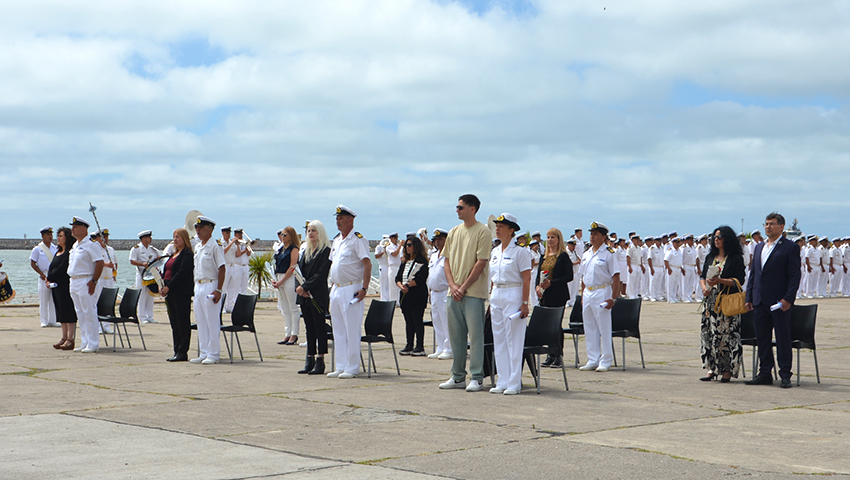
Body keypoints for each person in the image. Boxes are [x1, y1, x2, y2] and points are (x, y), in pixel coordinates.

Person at [439, 194, 491, 392]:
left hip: (473, 293)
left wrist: (463, 286)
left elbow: (481, 263)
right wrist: (452, 285)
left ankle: (476, 376)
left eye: (460, 207)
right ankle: (458, 376)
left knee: (476, 336)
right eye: (457, 207)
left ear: (472, 209)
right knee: (456, 336)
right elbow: (446, 261)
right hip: (453, 293)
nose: (457, 210)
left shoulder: (483, 232)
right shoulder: (453, 232)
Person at [745, 213, 801, 388]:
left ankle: (785, 374)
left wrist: (788, 299)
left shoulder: (789, 248)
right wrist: (749, 297)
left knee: (783, 339)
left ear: (782, 227)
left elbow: (794, 276)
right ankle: (765, 373)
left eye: (772, 224)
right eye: (766, 224)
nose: (768, 227)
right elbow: (753, 275)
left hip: (779, 302)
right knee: (762, 339)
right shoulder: (759, 247)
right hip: (760, 301)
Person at [487, 213, 532, 395]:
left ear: (511, 230)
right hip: (497, 293)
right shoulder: (495, 251)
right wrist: (491, 299)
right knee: (499, 339)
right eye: (497, 226)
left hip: (514, 292)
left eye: (502, 226)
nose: (497, 229)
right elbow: (493, 278)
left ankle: (514, 382)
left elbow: (527, 278)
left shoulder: (520, 251)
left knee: (514, 339)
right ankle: (502, 379)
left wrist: (524, 302)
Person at [327, 205, 372, 379]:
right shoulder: (337, 240)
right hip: (336, 288)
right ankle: (340, 365)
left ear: (351, 220)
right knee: (338, 329)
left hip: (352, 288)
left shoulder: (358, 239)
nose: (338, 221)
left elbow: (367, 264)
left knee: (351, 329)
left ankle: (352, 367)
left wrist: (365, 288)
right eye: (336, 218)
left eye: (341, 218)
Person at [698, 226, 746, 383]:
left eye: (720, 237)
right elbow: (702, 275)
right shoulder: (711, 256)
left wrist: (720, 280)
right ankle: (712, 368)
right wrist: (704, 287)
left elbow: (739, 281)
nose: (716, 240)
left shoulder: (735, 258)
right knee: (709, 336)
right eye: (715, 237)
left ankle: (726, 370)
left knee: (726, 338)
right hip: (710, 303)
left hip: (726, 303)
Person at [578, 222, 620, 372]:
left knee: (604, 327)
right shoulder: (586, 253)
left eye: (595, 234)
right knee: (589, 327)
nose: (592, 236)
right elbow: (583, 276)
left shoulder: (609, 253)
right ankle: (592, 359)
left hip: (602, 291)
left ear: (603, 237)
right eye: (591, 234)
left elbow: (616, 277)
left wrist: (613, 298)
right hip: (588, 292)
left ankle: (606, 360)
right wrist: (583, 294)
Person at [295, 220, 332, 375]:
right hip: (305, 295)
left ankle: (320, 359)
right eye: (309, 231)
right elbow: (300, 271)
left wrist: (306, 287)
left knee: (319, 328)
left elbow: (321, 274)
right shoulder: (307, 251)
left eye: (314, 231)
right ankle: (309, 358)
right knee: (309, 328)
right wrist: (301, 288)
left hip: (317, 294)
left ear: (320, 232)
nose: (310, 233)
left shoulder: (326, 251)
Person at [191, 216, 226, 365]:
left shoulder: (215, 246)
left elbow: (222, 267)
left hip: (211, 284)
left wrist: (219, 289)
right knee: (201, 320)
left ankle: (214, 353)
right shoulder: (198, 246)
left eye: (201, 228)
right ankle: (204, 352)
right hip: (198, 285)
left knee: (212, 320)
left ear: (210, 230)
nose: (198, 230)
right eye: (196, 228)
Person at [67, 217, 105, 353]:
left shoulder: (91, 244)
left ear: (84, 229)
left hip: (86, 280)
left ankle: (93, 343)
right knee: (80, 313)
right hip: (74, 280)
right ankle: (85, 341)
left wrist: (94, 281)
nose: (72, 229)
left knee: (89, 311)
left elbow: (99, 263)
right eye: (72, 226)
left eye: (75, 227)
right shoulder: (75, 245)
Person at [536, 228, 573, 367]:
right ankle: (549, 354)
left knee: (556, 326)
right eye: (548, 237)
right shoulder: (544, 256)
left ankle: (558, 354)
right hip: (545, 295)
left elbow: (569, 276)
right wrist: (537, 287)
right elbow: (538, 274)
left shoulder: (563, 256)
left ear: (559, 240)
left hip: (558, 294)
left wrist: (552, 283)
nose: (550, 240)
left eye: (553, 237)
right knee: (547, 326)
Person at [160, 228, 195, 362]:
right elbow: (166, 271)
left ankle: (182, 351)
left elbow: (181, 273)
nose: (175, 239)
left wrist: (169, 286)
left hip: (180, 292)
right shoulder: (173, 254)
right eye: (174, 237)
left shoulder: (187, 254)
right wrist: (161, 284)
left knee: (182, 322)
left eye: (178, 237)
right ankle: (176, 350)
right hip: (170, 291)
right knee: (174, 322)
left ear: (184, 239)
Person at [396, 236, 430, 356]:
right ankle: (409, 345)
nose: (407, 247)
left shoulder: (422, 261)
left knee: (417, 321)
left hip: (417, 295)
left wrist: (409, 285)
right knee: (408, 321)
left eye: (409, 245)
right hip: (405, 295)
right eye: (406, 245)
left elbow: (421, 278)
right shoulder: (405, 261)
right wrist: (401, 286)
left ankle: (419, 346)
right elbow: (398, 278)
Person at [47, 227, 77, 350]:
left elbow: (61, 269)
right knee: (60, 312)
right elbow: (52, 266)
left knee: (68, 311)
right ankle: (63, 337)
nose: (58, 238)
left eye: (61, 236)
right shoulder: (58, 252)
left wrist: (51, 276)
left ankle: (70, 338)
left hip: (65, 285)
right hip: (56, 286)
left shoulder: (68, 253)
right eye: (58, 236)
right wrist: (48, 278)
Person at [272, 226, 301, 345]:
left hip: (288, 278)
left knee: (292, 307)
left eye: (285, 235)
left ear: (291, 236)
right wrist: (276, 280)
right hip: (279, 277)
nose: (283, 237)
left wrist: (282, 280)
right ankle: (287, 333)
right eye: (282, 235)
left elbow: (292, 266)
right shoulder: (281, 249)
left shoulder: (293, 249)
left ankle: (294, 334)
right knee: (284, 308)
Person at [426, 228, 452, 359]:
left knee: (446, 321)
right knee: (437, 321)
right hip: (434, 292)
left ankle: (449, 348)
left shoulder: (450, 255)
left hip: (444, 291)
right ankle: (440, 346)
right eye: (436, 240)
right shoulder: (434, 255)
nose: (437, 242)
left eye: (440, 239)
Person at [129, 230, 160, 324]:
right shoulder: (136, 249)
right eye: (149, 237)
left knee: (150, 295)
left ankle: (149, 316)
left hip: (151, 275)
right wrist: (142, 264)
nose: (150, 239)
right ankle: (142, 317)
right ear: (144, 238)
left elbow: (159, 257)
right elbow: (132, 261)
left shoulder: (152, 249)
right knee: (142, 296)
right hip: (142, 274)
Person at [30, 226, 58, 327]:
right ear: (42, 236)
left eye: (51, 234)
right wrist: (41, 274)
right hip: (44, 275)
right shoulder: (37, 249)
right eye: (47, 235)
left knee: (53, 299)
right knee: (43, 299)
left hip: (54, 275)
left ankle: (52, 320)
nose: (50, 236)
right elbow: (33, 263)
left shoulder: (55, 248)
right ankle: (44, 320)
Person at [220, 226, 239, 312]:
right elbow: (223, 252)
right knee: (224, 288)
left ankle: (229, 307)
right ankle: (222, 307)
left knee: (232, 288)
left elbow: (237, 254)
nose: (228, 235)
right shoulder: (221, 242)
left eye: (229, 233)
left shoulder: (233, 243)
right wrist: (231, 243)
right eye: (227, 233)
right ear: (223, 233)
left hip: (233, 266)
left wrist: (238, 245)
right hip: (225, 266)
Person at [233, 228, 253, 297]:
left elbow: (248, 254)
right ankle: (236, 300)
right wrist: (245, 250)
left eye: (241, 234)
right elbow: (237, 255)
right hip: (238, 266)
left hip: (245, 266)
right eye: (239, 234)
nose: (240, 235)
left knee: (244, 285)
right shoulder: (234, 243)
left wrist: (248, 250)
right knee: (237, 285)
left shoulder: (245, 242)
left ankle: (243, 300)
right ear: (235, 234)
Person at [664, 237, 684, 303]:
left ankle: (674, 297)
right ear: (673, 243)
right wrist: (668, 268)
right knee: (670, 284)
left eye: (678, 242)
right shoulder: (670, 250)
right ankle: (670, 298)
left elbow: (679, 260)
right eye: (676, 243)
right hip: (672, 268)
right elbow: (666, 260)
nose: (678, 244)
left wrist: (681, 268)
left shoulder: (679, 250)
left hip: (678, 268)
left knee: (676, 283)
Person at [386, 233, 402, 305]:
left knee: (399, 285)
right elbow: (394, 254)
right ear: (391, 239)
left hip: (399, 266)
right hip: (393, 267)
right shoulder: (389, 247)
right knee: (392, 285)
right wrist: (400, 246)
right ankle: (393, 302)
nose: (396, 239)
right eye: (394, 238)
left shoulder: (398, 247)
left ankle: (399, 301)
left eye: (396, 238)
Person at [375, 235, 390, 301]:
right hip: (383, 266)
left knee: (389, 283)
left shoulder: (390, 247)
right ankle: (384, 299)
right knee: (383, 283)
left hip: (389, 266)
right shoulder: (379, 247)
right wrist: (383, 252)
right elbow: (376, 256)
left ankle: (389, 298)